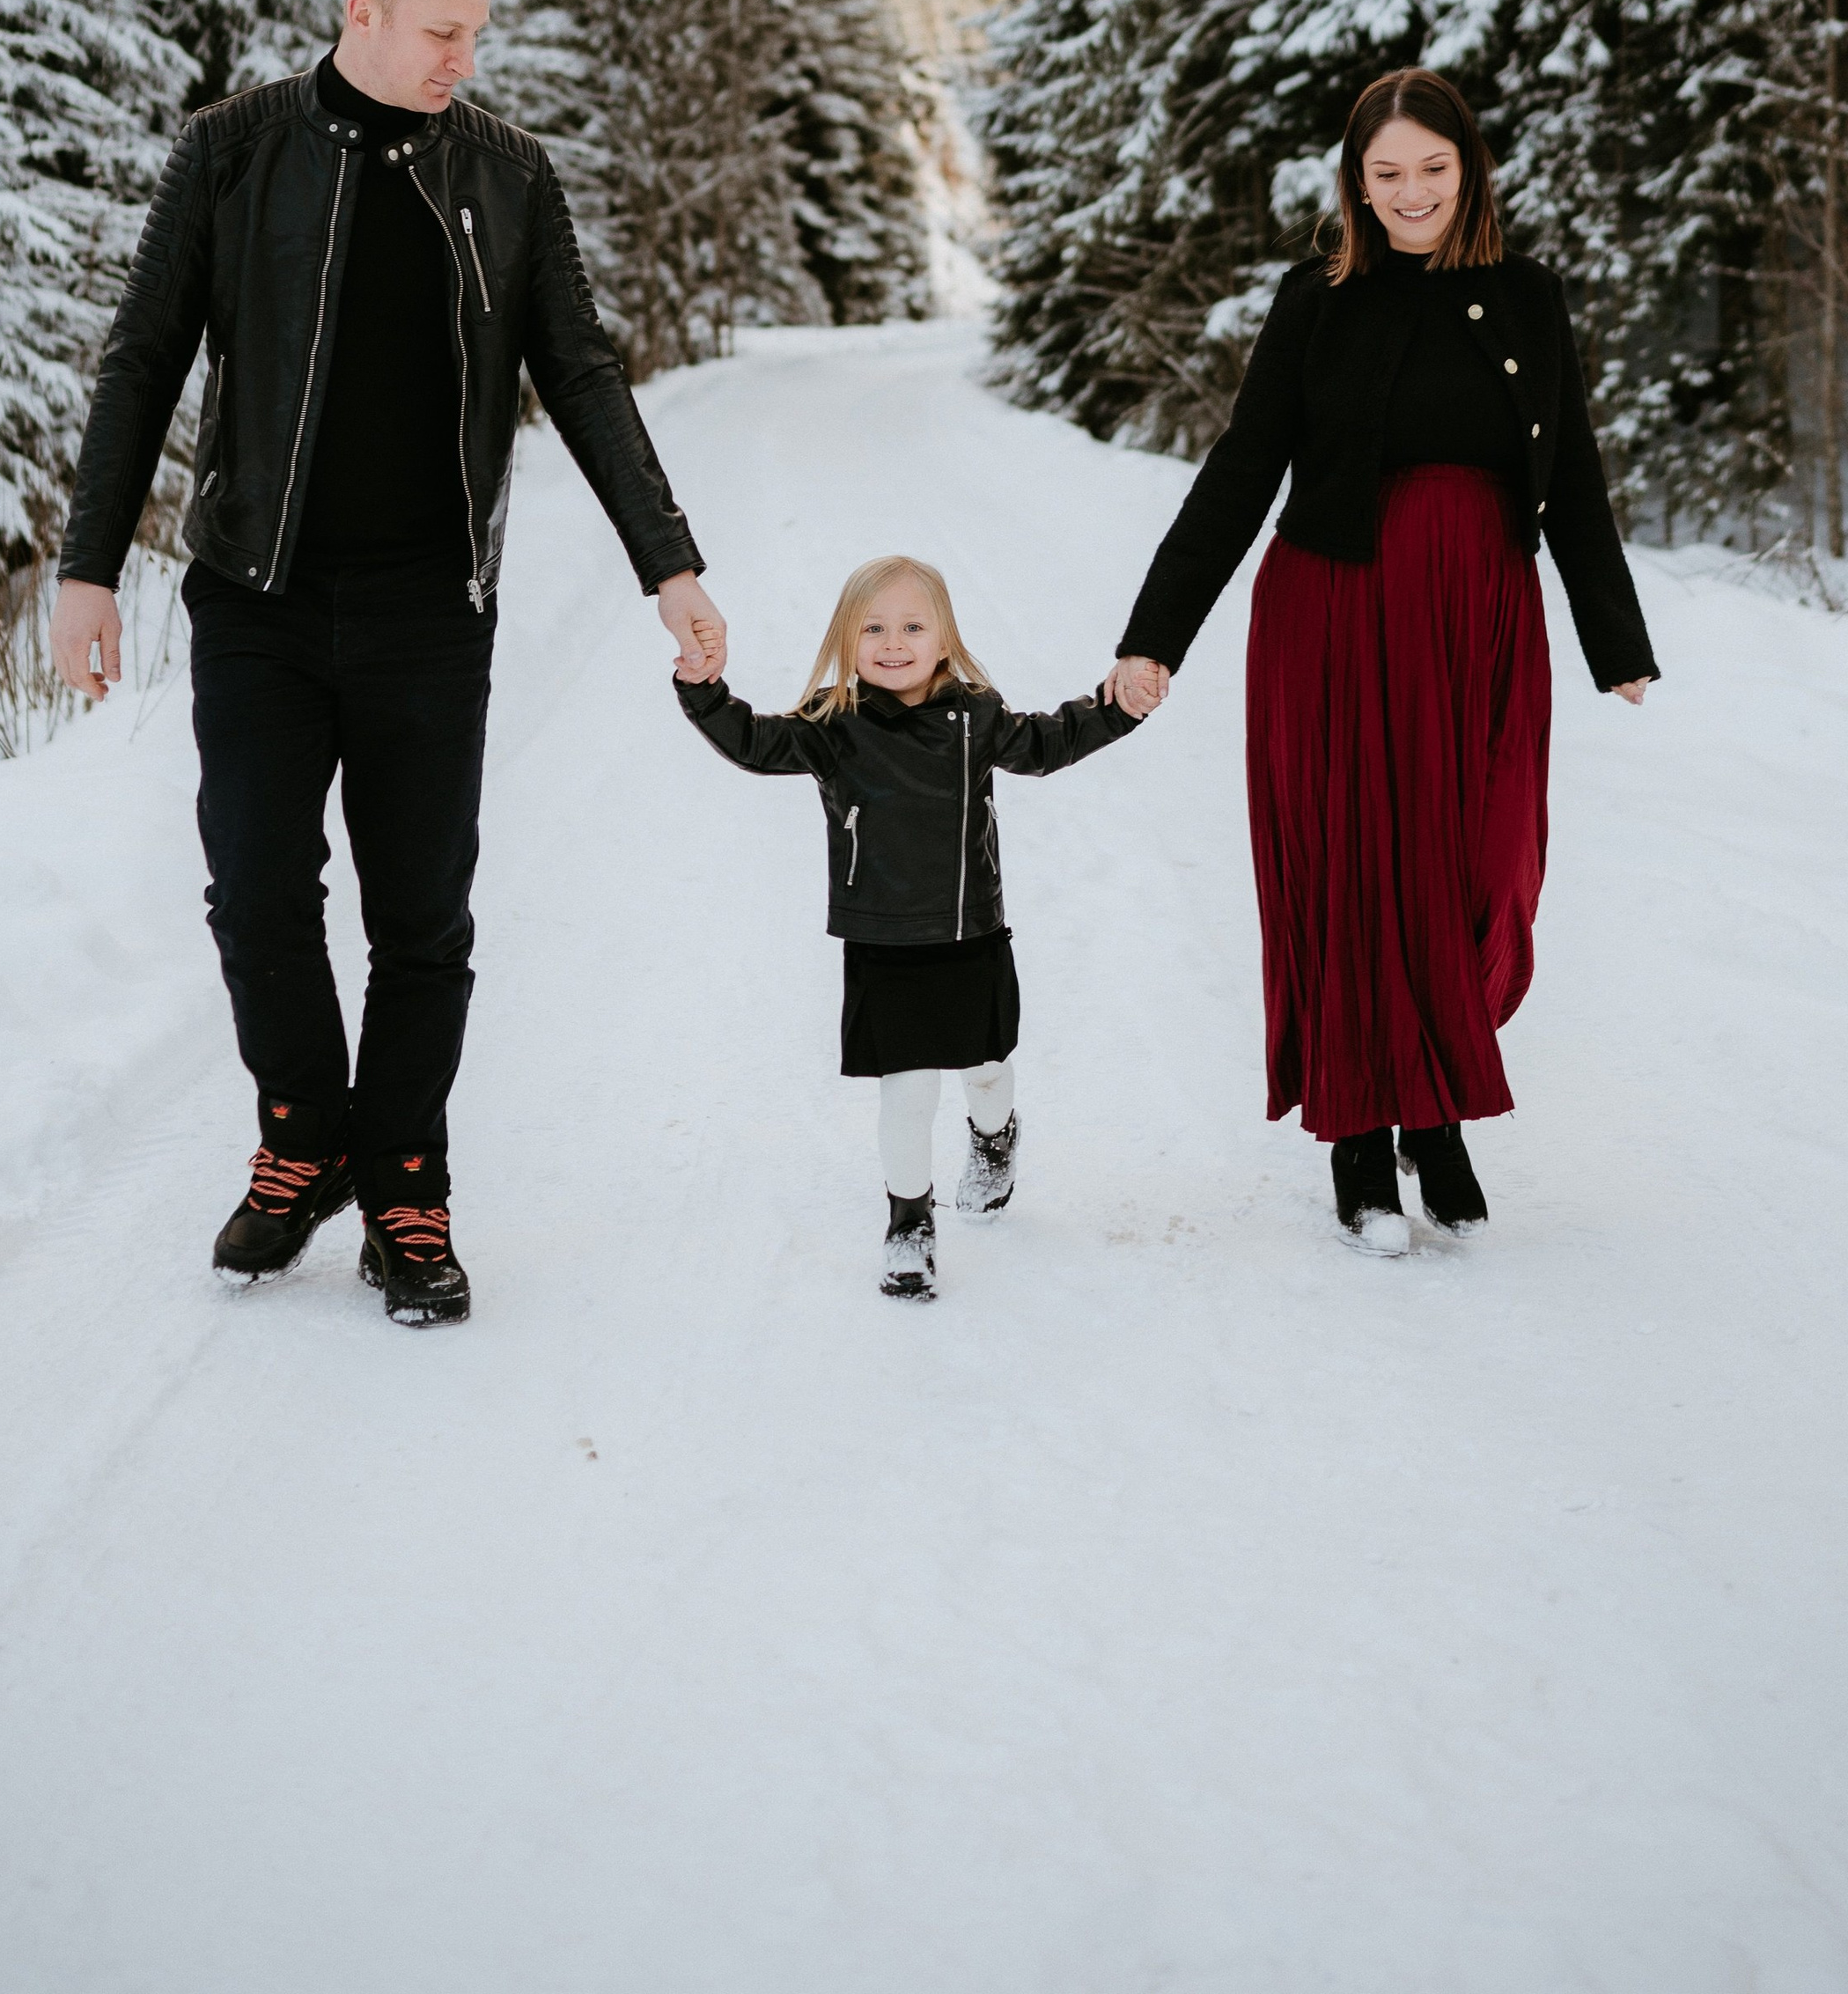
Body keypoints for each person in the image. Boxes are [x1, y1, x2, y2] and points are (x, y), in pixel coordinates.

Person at [51, 0, 725, 1328]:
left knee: (423, 916)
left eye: (475, 34)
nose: (460, 61)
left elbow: (585, 374)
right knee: (254, 888)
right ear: (361, 10)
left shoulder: (510, 177)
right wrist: (87, 564)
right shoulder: (232, 151)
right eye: (439, 31)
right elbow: (143, 354)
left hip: (430, 605)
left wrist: (667, 561)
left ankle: (407, 1183)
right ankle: (304, 1135)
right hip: (260, 595)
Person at [1109, 68, 1656, 1255]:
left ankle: (1435, 1092)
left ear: (1471, 171)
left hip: (1479, 624)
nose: (1412, 193)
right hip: (1337, 613)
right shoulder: (1319, 299)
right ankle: (1376, 1133)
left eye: (1433, 169)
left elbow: (1572, 480)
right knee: (1357, 865)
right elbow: (1243, 468)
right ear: (1357, 184)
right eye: (1387, 173)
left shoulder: (1529, 298)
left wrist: (1614, 636)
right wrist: (1154, 637)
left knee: (1484, 862)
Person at [675, 556, 1142, 1299]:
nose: (894, 643)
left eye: (913, 627)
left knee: (985, 1072)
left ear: (945, 638)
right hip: (885, 942)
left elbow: (1050, 743)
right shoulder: (836, 725)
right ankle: (909, 1223)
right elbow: (755, 743)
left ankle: (995, 1137)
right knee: (908, 1090)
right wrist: (703, 690)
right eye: (875, 628)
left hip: (969, 934)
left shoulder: (975, 716)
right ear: (847, 639)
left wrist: (1118, 708)